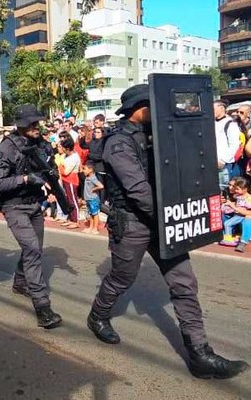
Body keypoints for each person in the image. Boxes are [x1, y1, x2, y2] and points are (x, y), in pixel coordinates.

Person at [87, 84, 248, 379]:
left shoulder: (159, 134)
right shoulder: (118, 142)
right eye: (153, 105)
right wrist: (169, 216)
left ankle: (200, 354)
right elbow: (138, 190)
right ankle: (97, 315)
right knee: (122, 277)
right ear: (140, 108)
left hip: (163, 220)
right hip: (134, 221)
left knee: (184, 284)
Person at [0, 104, 62, 329]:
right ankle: (43, 307)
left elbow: (51, 167)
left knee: (35, 249)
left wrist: (50, 178)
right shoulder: (6, 149)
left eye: (37, 122)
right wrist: (25, 180)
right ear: (20, 125)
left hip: (34, 205)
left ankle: (20, 283)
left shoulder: (41, 144)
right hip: (14, 206)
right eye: (31, 123)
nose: (36, 126)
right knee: (31, 249)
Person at [214, 100, 241, 187]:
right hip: (214, 162)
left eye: (213, 108)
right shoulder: (213, 122)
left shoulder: (230, 123)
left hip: (224, 165)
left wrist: (223, 161)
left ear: (222, 108)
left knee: (224, 188)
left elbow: (234, 144)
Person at [58, 137, 80, 230]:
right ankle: (71, 218)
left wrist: (60, 165)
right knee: (68, 200)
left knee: (73, 200)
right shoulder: (66, 156)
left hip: (71, 180)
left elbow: (66, 171)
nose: (61, 149)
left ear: (67, 148)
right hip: (65, 180)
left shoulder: (74, 157)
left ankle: (75, 220)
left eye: (63, 148)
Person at [81, 161, 103, 234]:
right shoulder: (88, 177)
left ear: (90, 170)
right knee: (91, 214)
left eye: (85, 169)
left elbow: (101, 186)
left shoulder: (93, 178)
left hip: (93, 199)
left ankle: (95, 228)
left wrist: (94, 189)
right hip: (88, 199)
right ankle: (91, 227)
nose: (83, 170)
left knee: (95, 214)